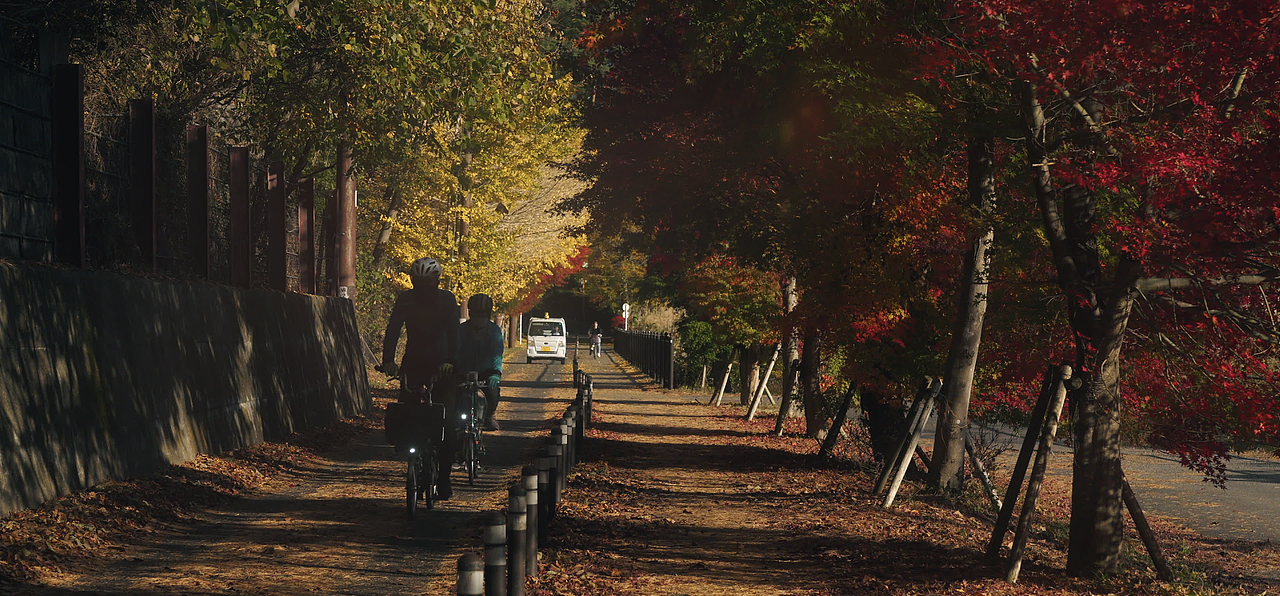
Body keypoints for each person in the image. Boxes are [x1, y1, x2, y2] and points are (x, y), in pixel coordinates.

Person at [381, 257, 460, 499]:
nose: (422, 285)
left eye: (427, 281)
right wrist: (388, 361)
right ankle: (409, 450)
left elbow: (455, 333)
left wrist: (452, 362)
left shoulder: (447, 300)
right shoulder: (406, 300)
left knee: (447, 422)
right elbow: (393, 330)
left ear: (436, 281)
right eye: (418, 281)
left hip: (442, 365)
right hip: (413, 362)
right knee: (406, 411)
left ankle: (444, 478)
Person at [460, 293, 504, 431]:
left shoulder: (494, 331)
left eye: (482, 315)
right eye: (476, 314)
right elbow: (455, 349)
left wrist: (496, 372)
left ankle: (489, 416)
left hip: (486, 372)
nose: (479, 319)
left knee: (493, 392)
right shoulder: (461, 330)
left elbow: (497, 353)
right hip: (463, 371)